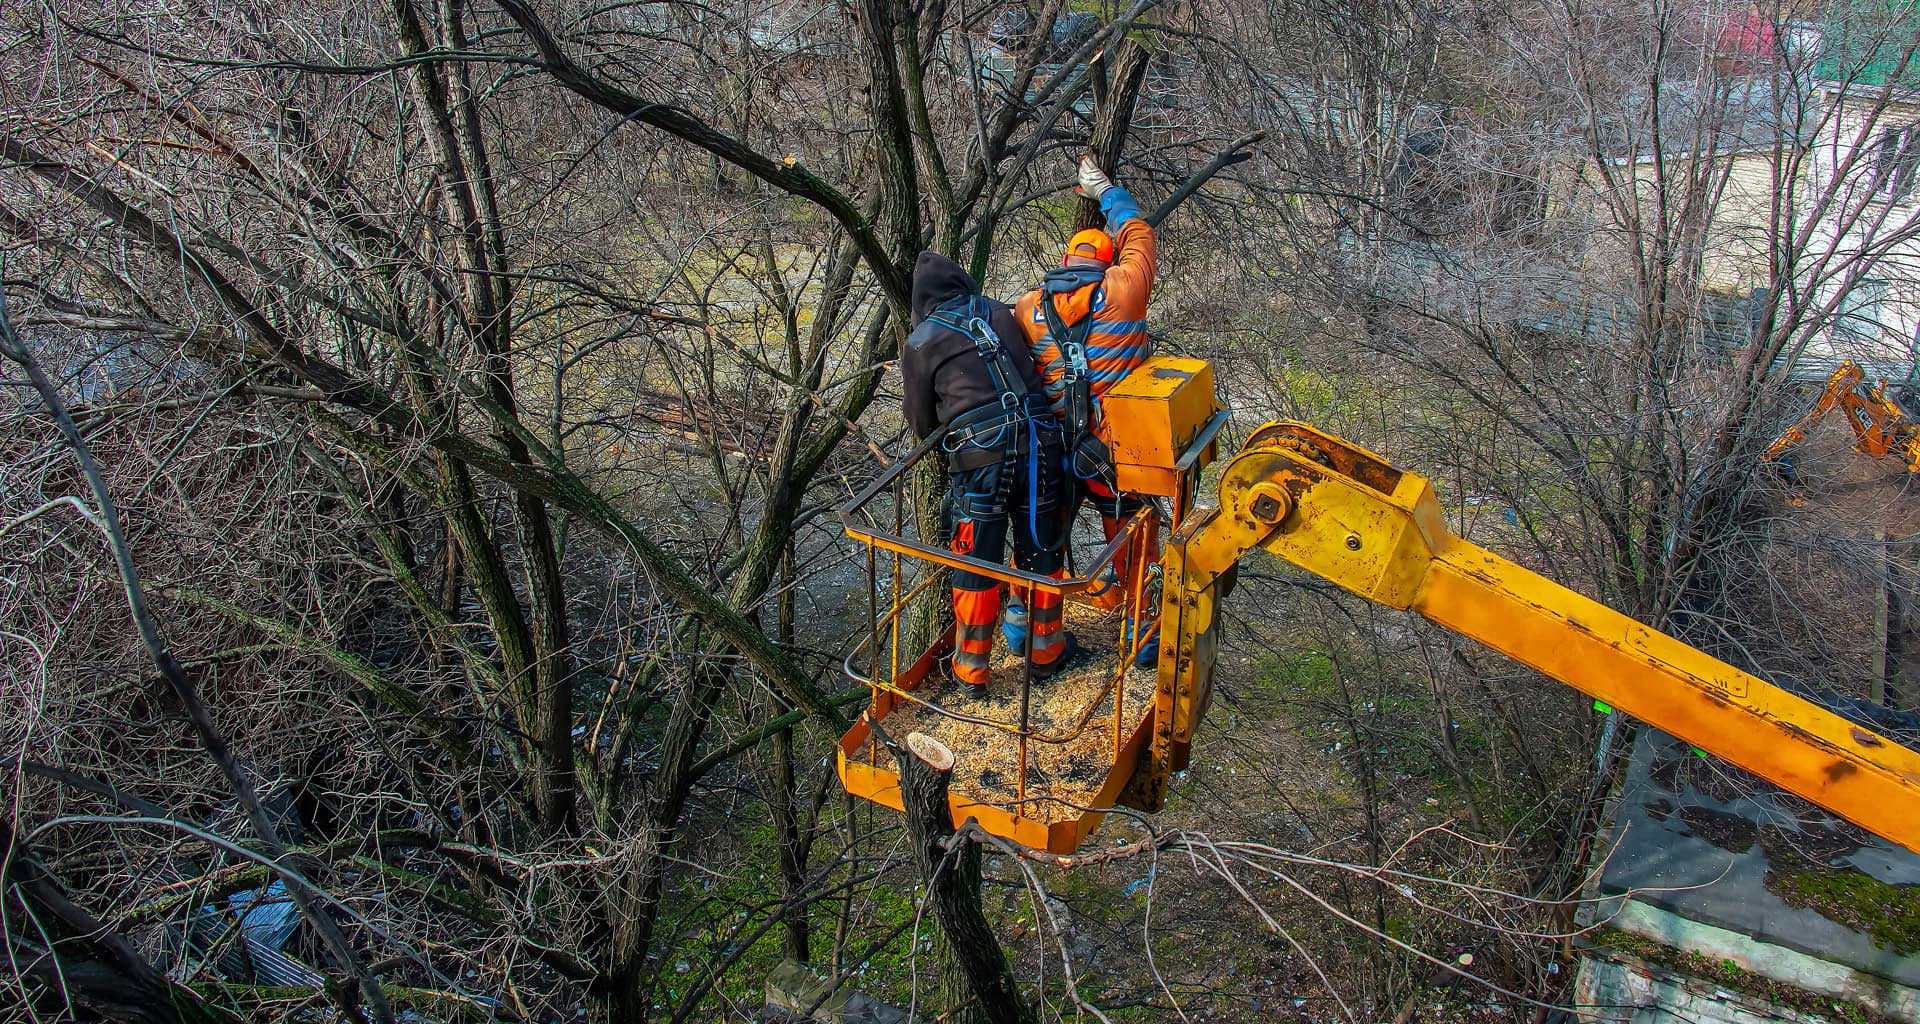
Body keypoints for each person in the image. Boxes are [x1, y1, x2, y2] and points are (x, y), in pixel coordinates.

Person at [901, 251, 1081, 692]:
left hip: (981, 459)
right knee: (1041, 549)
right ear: (962, 284)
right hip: (1041, 443)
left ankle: (972, 671)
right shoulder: (1000, 311)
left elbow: (921, 421)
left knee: (976, 560)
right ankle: (1045, 652)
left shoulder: (921, 342)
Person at [1012, 156, 1161, 667]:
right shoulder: (1124, 290)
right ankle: (1143, 636)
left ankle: (1025, 630)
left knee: (1043, 535)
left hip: (1053, 448)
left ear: (1065, 261)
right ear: (1108, 261)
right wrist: (1105, 192)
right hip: (1115, 450)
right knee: (1130, 533)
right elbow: (1139, 233)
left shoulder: (1028, 307)